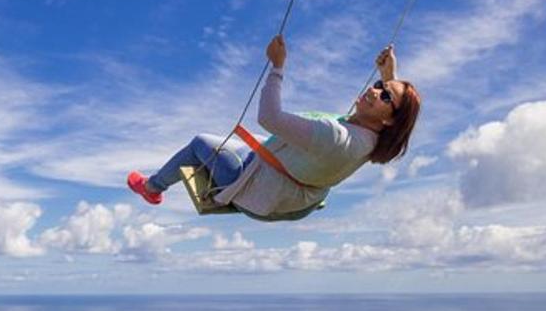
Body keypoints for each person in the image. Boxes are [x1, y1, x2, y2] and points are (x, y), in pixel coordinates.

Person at [127, 36, 421, 221]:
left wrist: (277, 66)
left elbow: (270, 117)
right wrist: (390, 77)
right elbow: (378, 118)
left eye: (385, 95)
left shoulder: (337, 137)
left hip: (264, 196)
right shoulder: (374, 138)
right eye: (379, 86)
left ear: (389, 119)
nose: (374, 90)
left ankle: (152, 188)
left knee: (200, 143)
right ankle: (165, 182)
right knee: (251, 143)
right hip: (297, 196)